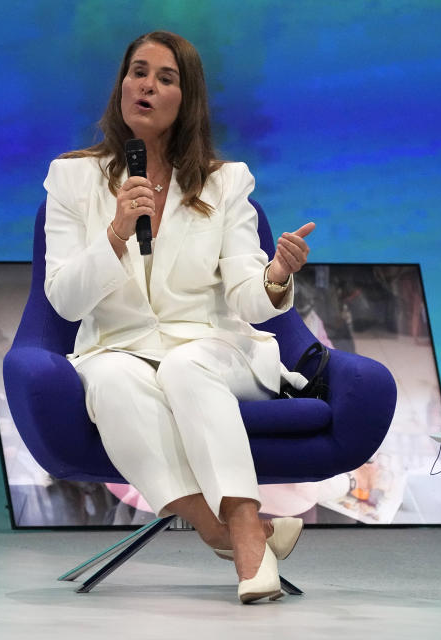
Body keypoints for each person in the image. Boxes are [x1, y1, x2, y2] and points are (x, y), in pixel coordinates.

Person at [42, 31, 315, 604]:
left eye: (166, 78)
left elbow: (248, 297)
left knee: (187, 365)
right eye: (137, 72)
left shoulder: (224, 181)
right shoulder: (72, 179)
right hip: (119, 352)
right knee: (112, 379)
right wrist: (115, 234)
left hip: (214, 352)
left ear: (186, 99)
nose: (146, 85)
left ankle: (241, 527)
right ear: (121, 84)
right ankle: (236, 533)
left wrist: (277, 277)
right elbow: (64, 302)